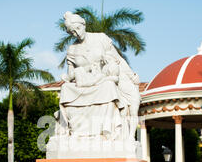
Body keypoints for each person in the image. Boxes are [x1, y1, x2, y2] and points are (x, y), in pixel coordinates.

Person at [57, 11, 140, 140]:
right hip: (85, 83)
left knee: (109, 86)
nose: (77, 33)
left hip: (103, 80)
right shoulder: (72, 49)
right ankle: (73, 130)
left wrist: (131, 75)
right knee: (66, 89)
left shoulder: (101, 38)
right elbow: (71, 74)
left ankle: (106, 129)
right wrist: (71, 76)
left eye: (78, 28)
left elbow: (117, 59)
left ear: (84, 24)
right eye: (73, 32)